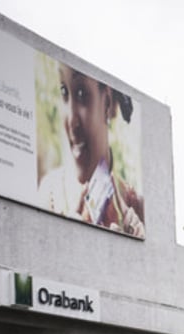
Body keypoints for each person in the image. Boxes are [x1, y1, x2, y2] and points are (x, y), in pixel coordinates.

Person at [36, 61, 145, 237]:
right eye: (64, 91)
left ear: (108, 104)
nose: (72, 121)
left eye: (81, 94)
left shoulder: (134, 204)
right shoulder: (49, 193)